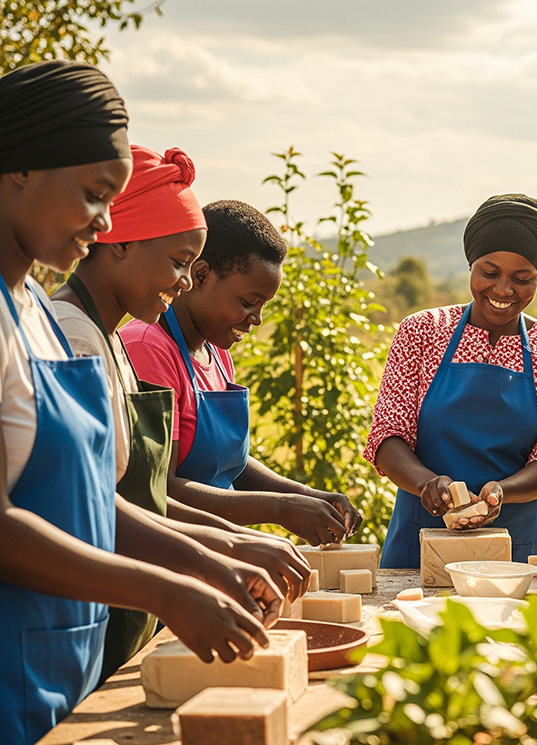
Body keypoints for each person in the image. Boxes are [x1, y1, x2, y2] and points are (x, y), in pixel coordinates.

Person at [0, 61, 274, 745]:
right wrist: (165, 589)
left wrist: (211, 562)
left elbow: (91, 498)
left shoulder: (32, 310)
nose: (103, 220)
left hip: (63, 656)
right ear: (19, 170)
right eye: (94, 194)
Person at [52, 144, 313, 682]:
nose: (185, 281)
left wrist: (237, 545)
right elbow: (90, 505)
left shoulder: (106, 339)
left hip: (133, 594)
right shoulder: (75, 337)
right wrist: (224, 549)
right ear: (119, 242)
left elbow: (135, 495)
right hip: (86, 607)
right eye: (178, 263)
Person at [119, 199, 362, 546]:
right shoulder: (148, 348)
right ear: (201, 276)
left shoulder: (215, 352)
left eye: (263, 307)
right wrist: (281, 509)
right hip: (170, 553)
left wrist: (307, 495)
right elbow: (159, 487)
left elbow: (232, 465)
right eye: (248, 303)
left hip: (219, 549)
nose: (256, 319)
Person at [366, 193, 537, 566]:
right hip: (420, 541)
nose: (503, 289)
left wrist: (500, 492)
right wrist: (426, 484)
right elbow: (389, 435)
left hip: (518, 548)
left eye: (522, 279)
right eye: (489, 272)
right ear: (471, 266)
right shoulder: (422, 333)